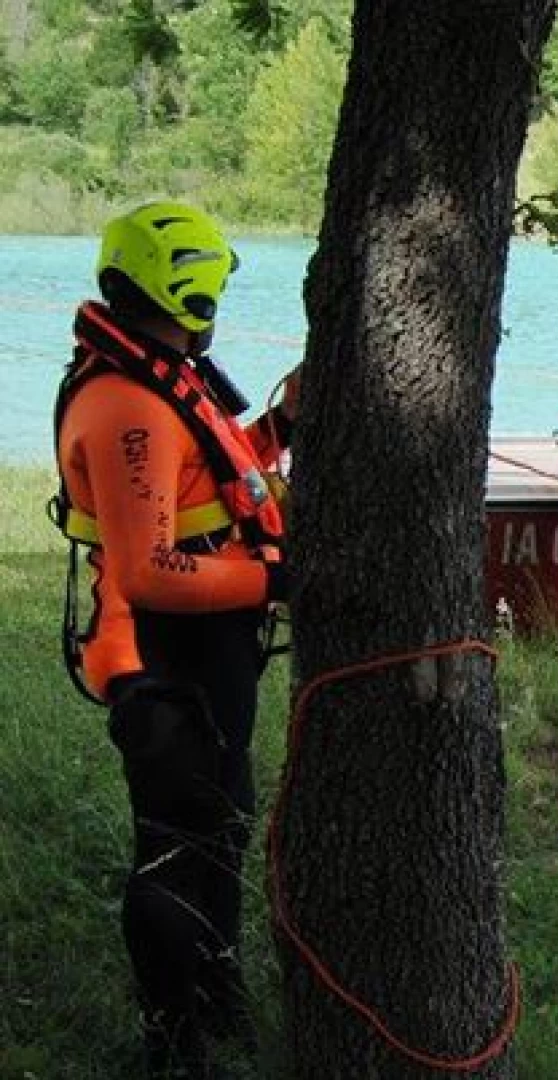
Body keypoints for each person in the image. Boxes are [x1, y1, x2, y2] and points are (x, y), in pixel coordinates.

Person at [51, 201, 294, 1076]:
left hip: (205, 643)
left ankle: (216, 990)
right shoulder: (129, 406)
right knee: (177, 839)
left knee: (221, 822)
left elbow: (206, 482)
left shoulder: (161, 377)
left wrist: (278, 431)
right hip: (158, 654)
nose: (215, 308)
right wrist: (281, 581)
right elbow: (151, 570)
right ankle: (170, 1040)